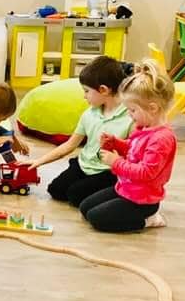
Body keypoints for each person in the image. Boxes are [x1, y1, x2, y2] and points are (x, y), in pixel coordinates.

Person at [78, 59, 176, 233]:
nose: (130, 115)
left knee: (96, 219)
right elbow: (133, 148)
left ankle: (148, 219)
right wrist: (116, 143)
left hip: (142, 200)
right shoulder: (143, 127)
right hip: (126, 189)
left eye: (132, 110)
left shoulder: (162, 139)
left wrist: (116, 162)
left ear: (152, 108)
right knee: (85, 208)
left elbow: (146, 172)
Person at [29, 56, 133, 206]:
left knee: (75, 195)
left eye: (86, 91)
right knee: (56, 190)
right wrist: (38, 162)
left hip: (107, 171)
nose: (84, 96)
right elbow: (70, 145)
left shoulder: (130, 116)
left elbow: (134, 153)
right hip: (84, 164)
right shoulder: (89, 114)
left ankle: (114, 189)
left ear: (103, 90)